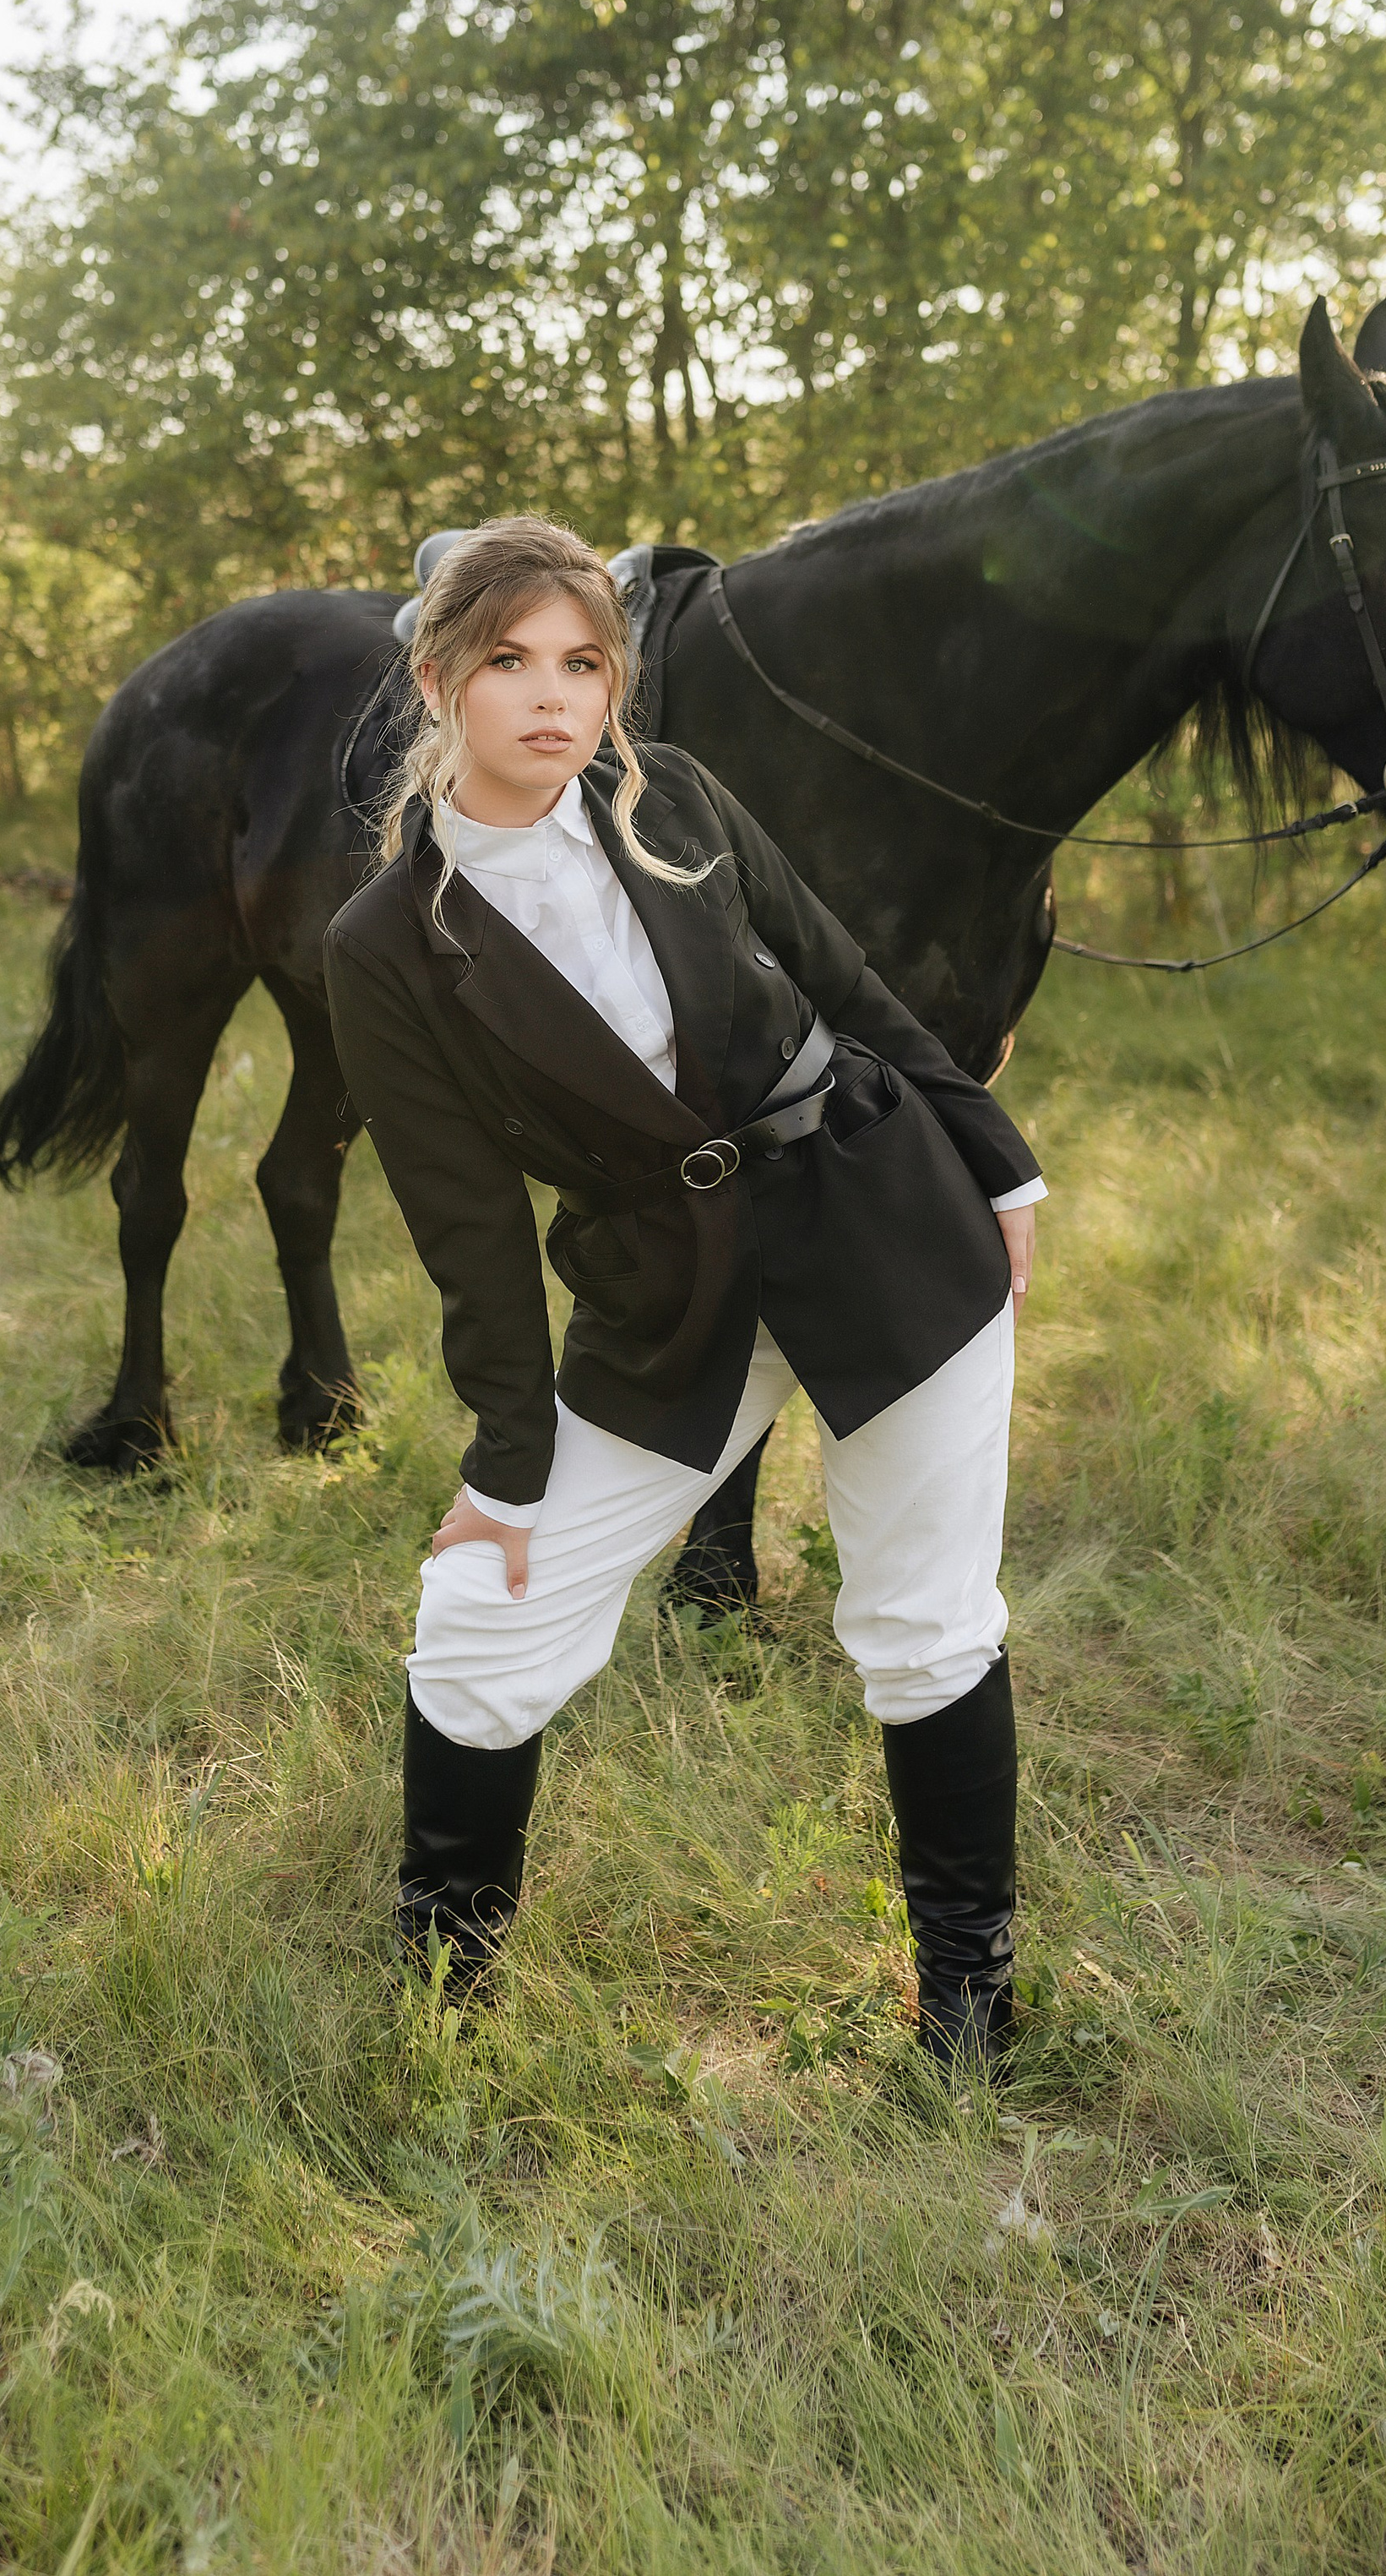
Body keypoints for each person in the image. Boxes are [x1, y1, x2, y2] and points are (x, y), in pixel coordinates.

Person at [323, 517, 1046, 2071]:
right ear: (440, 680)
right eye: (509, 662)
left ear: (615, 682)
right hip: (673, 1299)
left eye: (582, 663)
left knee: (924, 1628)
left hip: (884, 1219)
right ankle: (441, 2012)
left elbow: (849, 983)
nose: (550, 697)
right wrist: (504, 1471)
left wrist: (1002, 1166)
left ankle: (971, 2017)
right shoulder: (385, 945)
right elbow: (469, 1233)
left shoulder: (684, 806)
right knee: (474, 1625)